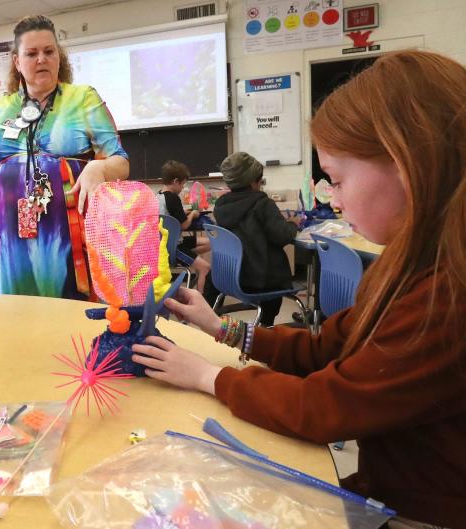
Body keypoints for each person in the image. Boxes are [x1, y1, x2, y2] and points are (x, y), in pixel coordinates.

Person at [130, 50, 466, 528]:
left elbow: (324, 406)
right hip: (387, 491)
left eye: (337, 180)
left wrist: (207, 376)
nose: (335, 198)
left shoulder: (447, 296)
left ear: (409, 164)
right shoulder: (408, 263)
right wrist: (219, 327)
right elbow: (328, 347)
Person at [0, 15, 129, 299]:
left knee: (70, 310)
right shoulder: (2, 108)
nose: (42, 59)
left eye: (49, 51)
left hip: (68, 234)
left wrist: (98, 169)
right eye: (32, 53)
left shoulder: (83, 98)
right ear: (17, 62)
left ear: (59, 57)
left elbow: (121, 162)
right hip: (11, 235)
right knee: (17, 313)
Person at [203, 151, 299, 326]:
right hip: (259, 280)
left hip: (227, 276)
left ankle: (209, 319)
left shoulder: (221, 206)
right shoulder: (263, 204)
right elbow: (282, 235)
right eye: (260, 180)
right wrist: (293, 224)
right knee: (276, 279)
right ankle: (266, 323)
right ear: (254, 181)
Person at [157, 160, 211, 292]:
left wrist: (183, 213)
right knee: (205, 267)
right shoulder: (174, 198)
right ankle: (201, 302)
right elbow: (184, 225)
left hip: (164, 244)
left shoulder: (158, 195)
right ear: (176, 181)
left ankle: (189, 259)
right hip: (173, 247)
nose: (182, 188)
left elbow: (171, 217)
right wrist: (192, 214)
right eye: (182, 184)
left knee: (210, 243)